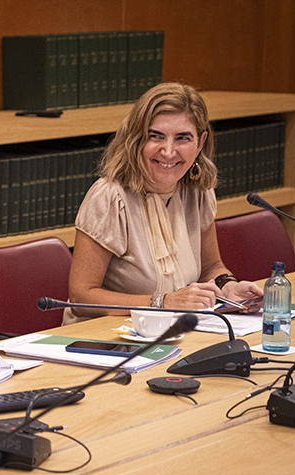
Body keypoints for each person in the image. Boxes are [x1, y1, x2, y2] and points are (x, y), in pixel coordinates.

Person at [64, 82, 263, 325]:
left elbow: (211, 266)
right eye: (156, 136)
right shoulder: (109, 197)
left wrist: (230, 287)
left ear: (200, 143)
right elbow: (81, 297)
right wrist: (164, 303)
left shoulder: (198, 191)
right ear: (136, 139)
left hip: (174, 332)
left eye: (182, 138)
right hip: (106, 340)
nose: (168, 152)